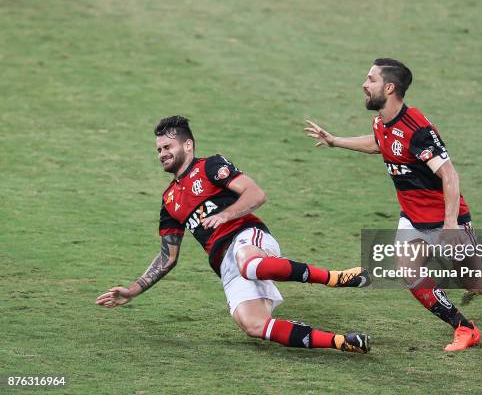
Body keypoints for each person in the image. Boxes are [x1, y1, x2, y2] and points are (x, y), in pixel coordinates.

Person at [304, 58, 482, 351]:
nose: (365, 85)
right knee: (409, 272)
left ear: (389, 87)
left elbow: (449, 173)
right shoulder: (381, 121)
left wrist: (451, 224)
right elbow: (379, 143)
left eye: (371, 79)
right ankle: (464, 328)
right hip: (413, 219)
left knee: (476, 283)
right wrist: (335, 141)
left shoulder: (418, 130)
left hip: (446, 220)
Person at [96, 116, 371, 353]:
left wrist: (224, 215)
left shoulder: (210, 166)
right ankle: (343, 342)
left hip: (247, 236)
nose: (162, 154)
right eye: (158, 150)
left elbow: (256, 194)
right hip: (225, 263)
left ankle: (337, 278)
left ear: (187, 145)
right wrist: (132, 291)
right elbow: (168, 257)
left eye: (167, 147)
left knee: (249, 264)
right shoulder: (169, 201)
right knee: (252, 325)